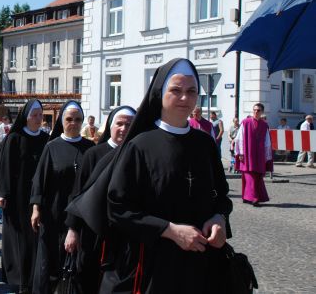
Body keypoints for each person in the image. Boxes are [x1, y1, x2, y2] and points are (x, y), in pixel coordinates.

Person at [69, 58, 232, 293]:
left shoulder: (204, 144)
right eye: (176, 90)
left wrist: (219, 219)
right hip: (150, 267)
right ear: (159, 93)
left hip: (200, 265)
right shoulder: (140, 145)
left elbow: (221, 196)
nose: (185, 98)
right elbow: (118, 208)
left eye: (191, 91)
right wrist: (170, 230)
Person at [64, 105, 135, 293]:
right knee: (88, 277)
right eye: (119, 123)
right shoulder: (93, 154)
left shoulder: (139, 153)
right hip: (93, 231)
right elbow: (78, 194)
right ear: (110, 125)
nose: (123, 128)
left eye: (129, 124)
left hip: (126, 233)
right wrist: (73, 229)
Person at [29, 101, 94, 293]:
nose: (73, 123)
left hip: (80, 213)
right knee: (49, 259)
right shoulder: (52, 147)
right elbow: (39, 180)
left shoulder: (90, 148)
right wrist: (35, 208)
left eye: (78, 119)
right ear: (62, 121)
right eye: (69, 119)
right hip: (54, 210)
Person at [0, 99, 50, 294]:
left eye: (40, 115)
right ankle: (19, 277)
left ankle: (35, 276)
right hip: (17, 193)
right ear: (26, 117)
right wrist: (3, 192)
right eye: (34, 115)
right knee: (20, 236)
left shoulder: (45, 139)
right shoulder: (14, 138)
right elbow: (5, 168)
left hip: (37, 193)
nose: (37, 119)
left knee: (35, 235)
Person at [235, 103, 272, 205]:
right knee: (249, 176)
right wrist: (241, 153)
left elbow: (267, 142)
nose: (256, 112)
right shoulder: (245, 123)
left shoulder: (264, 125)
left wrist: (267, 156)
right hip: (247, 154)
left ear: (262, 112)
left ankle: (247, 197)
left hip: (259, 155)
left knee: (258, 177)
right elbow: (240, 138)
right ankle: (254, 198)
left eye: (258, 110)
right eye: (254, 110)